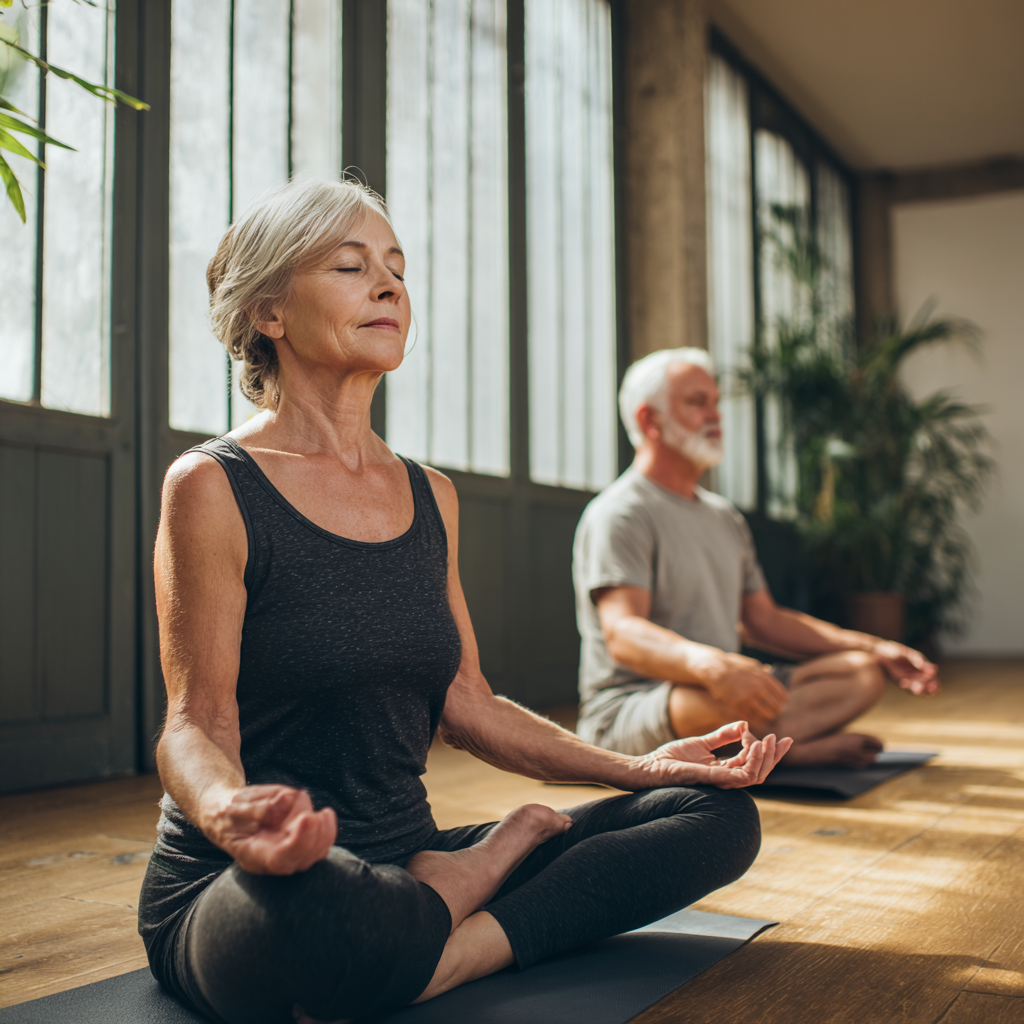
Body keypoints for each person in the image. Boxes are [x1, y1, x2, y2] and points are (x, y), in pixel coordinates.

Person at [137, 180, 790, 1024]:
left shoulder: (429, 496)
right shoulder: (212, 487)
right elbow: (194, 724)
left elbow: (469, 704)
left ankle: (448, 945)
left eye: (397, 269)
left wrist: (644, 767)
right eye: (350, 266)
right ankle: (454, 899)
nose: (389, 287)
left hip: (408, 855)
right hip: (258, 880)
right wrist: (231, 815)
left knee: (715, 817)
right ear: (269, 311)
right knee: (310, 907)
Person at [573, 347, 939, 766]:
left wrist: (876, 647)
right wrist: (712, 666)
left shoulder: (723, 516)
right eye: (697, 402)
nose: (715, 415)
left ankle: (757, 753)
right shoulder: (620, 513)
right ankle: (788, 754)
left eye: (715, 402)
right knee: (708, 707)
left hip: (728, 686)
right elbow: (623, 632)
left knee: (861, 674)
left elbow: (764, 619)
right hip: (637, 706)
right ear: (648, 420)